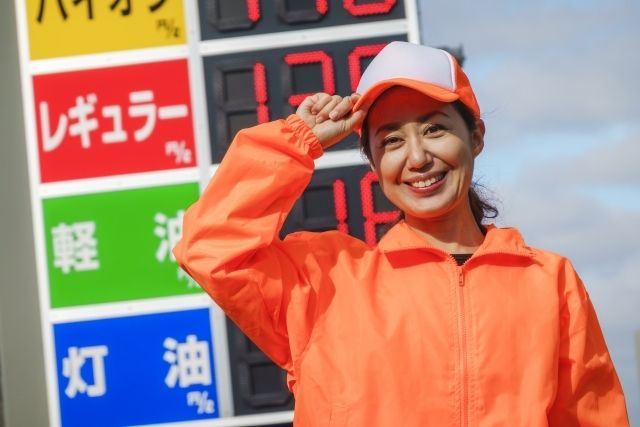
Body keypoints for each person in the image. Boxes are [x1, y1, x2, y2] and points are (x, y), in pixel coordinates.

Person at [173, 42, 629, 426]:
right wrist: (297, 139)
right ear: (373, 162)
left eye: (434, 129)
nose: (417, 157)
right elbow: (210, 246)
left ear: (476, 137)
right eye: (391, 140)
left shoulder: (550, 282)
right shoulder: (323, 280)